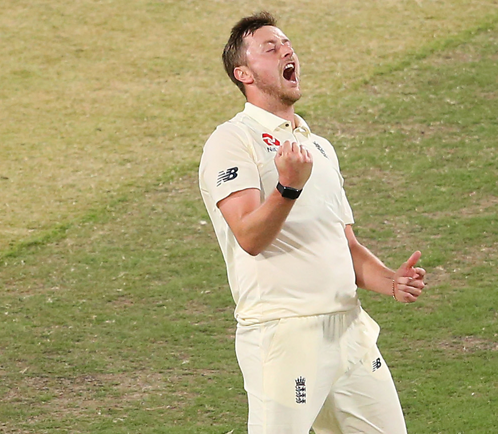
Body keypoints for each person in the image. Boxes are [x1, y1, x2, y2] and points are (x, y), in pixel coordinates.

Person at [199, 11, 426, 434]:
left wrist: (389, 281)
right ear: (243, 73)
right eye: (271, 47)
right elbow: (249, 235)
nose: (287, 50)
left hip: (348, 330)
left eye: (288, 45)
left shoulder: (318, 147)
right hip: (284, 333)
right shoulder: (233, 140)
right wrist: (287, 187)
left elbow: (346, 246)